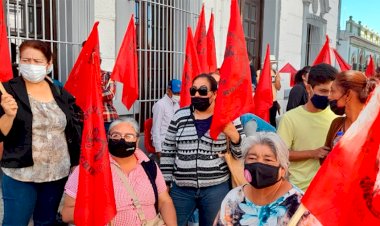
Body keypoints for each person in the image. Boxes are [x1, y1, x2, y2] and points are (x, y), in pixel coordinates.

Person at [0, 40, 82, 225]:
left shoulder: (59, 90)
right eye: (25, 60)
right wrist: (8, 115)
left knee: (46, 221)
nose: (31, 65)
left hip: (56, 173)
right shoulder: (7, 91)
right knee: (15, 222)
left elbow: (72, 128)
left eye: (37, 61)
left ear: (49, 63)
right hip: (21, 174)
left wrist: (76, 162)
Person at [160, 74, 245, 226]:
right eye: (193, 91)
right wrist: (165, 182)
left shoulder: (228, 117)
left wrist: (234, 135)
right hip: (181, 188)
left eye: (203, 91)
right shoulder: (179, 116)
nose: (197, 95)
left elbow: (241, 154)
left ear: (215, 93)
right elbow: (168, 150)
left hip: (215, 188)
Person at [62, 118, 177, 225]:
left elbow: (164, 201)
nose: (122, 140)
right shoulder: (88, 168)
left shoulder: (149, 166)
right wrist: (98, 212)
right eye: (116, 135)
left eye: (128, 136)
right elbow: (66, 213)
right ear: (107, 139)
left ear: (137, 141)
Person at [214, 132, 304, 226]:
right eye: (252, 158)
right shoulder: (234, 199)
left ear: (283, 169)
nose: (259, 165)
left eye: (268, 160)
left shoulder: (299, 206)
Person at [277, 63, 337, 191]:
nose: (328, 96)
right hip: (299, 190)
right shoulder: (290, 118)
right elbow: (280, 154)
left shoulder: (337, 117)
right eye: (323, 91)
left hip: (328, 190)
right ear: (309, 89)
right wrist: (313, 153)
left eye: (331, 91)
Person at [325, 70, 377, 151]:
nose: (329, 97)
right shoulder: (336, 124)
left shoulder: (375, 127)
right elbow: (326, 157)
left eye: (333, 91)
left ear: (348, 94)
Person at [82, 40, 118, 132]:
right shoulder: (79, 77)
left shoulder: (107, 75)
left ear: (100, 60)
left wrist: (89, 94)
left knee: (107, 145)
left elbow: (110, 93)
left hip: (106, 118)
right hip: (85, 119)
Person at [151, 79, 181, 158]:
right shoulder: (160, 105)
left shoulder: (177, 104)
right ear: (168, 90)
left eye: (179, 93)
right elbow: (156, 128)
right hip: (163, 141)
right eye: (175, 93)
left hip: (175, 139)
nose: (178, 95)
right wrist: (158, 149)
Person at [257, 55, 281, 127]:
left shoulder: (276, 73)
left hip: (273, 101)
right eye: (271, 63)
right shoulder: (259, 72)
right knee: (262, 120)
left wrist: (277, 79)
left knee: (272, 120)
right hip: (263, 100)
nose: (273, 64)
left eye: (274, 63)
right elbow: (258, 86)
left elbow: (278, 87)